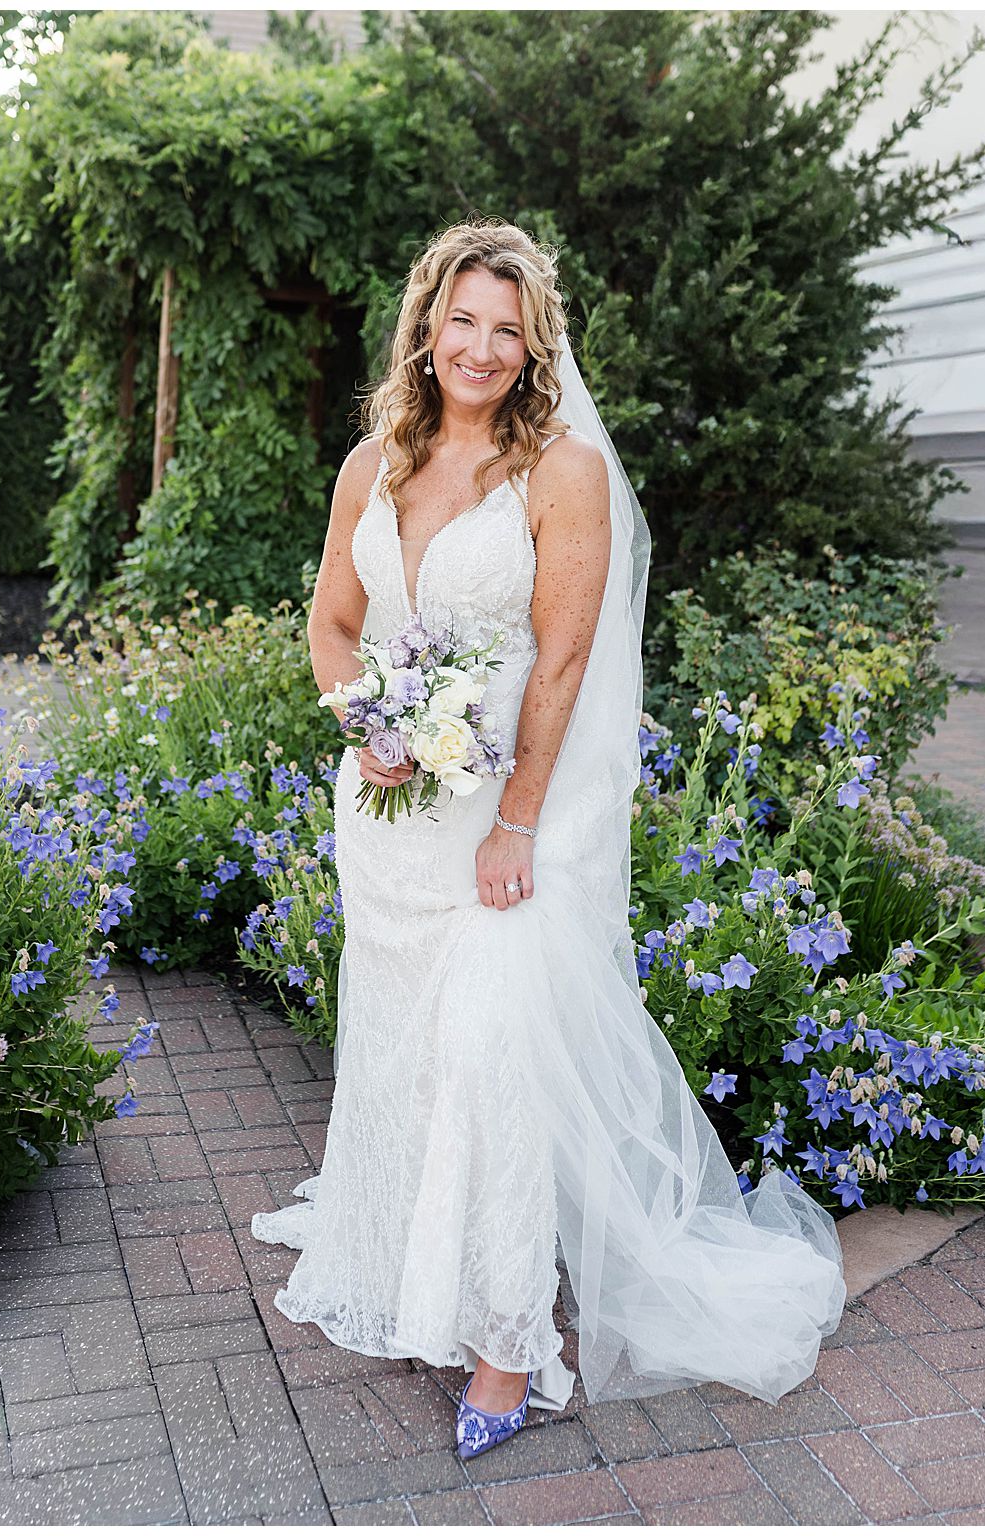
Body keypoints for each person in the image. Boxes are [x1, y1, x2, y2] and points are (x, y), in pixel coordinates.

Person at [252, 221, 845, 1459]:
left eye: (504, 329)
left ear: (534, 349)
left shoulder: (560, 473)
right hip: (388, 811)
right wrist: (363, 719)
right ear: (425, 324)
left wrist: (517, 817)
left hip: (505, 816)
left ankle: (508, 1344)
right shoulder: (372, 463)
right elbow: (330, 617)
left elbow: (566, 659)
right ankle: (409, 1261)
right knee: (406, 1043)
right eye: (461, 320)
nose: (478, 347)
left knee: (490, 1058)